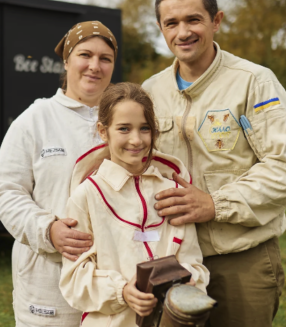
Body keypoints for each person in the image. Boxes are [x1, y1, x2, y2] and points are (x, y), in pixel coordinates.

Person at [142, 0, 286, 327]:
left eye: (194, 20)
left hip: (240, 258)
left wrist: (215, 204)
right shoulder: (150, 91)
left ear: (216, 21)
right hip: (171, 257)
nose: (182, 32)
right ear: (160, 27)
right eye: (171, 23)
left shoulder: (254, 82)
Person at [0, 21, 119, 327]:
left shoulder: (122, 120)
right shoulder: (36, 119)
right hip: (49, 279)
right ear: (67, 59)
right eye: (85, 55)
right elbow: (5, 190)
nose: (94, 66)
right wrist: (48, 230)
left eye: (105, 59)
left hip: (111, 277)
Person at [59, 82, 210, 327]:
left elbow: (195, 263)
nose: (136, 140)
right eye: (124, 129)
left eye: (144, 128)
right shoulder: (86, 195)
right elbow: (74, 279)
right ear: (103, 131)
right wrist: (121, 291)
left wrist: (188, 281)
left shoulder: (173, 192)